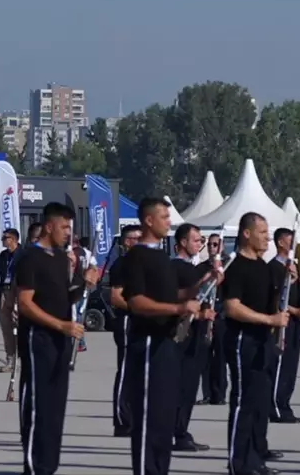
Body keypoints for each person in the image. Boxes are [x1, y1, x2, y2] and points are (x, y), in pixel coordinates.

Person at [121, 198, 203, 475]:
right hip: (146, 343)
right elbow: (137, 302)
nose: (169, 221)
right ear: (148, 220)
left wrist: (197, 288)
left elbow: (172, 295)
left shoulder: (162, 257)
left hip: (167, 343)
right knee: (148, 418)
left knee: (164, 417)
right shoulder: (137, 256)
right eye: (164, 217)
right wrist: (178, 307)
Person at [14, 201, 97, 475]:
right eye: (63, 227)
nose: (67, 233)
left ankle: (49, 465)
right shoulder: (30, 258)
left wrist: (84, 284)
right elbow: (25, 303)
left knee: (56, 407)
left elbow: (65, 296)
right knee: (38, 404)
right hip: (38, 339)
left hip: (61, 340)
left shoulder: (62, 258)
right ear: (49, 226)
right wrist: (59, 325)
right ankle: (33, 466)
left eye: (70, 227)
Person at [222, 212, 289, 475]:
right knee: (242, 402)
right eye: (262, 232)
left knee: (259, 403)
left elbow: (273, 302)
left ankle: (254, 459)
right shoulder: (236, 266)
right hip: (242, 340)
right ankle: (238, 463)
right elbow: (232, 307)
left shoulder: (264, 267)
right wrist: (268, 318)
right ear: (246, 233)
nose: (267, 238)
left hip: (263, 341)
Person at [169, 223, 214, 452]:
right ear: (183, 242)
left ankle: (180, 430)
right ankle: (177, 432)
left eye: (201, 240)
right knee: (182, 387)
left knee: (189, 386)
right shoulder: (177, 267)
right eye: (196, 240)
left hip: (195, 334)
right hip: (180, 334)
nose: (200, 244)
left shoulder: (194, 268)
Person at [270, 226, 300, 425]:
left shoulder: (292, 266)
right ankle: (275, 407)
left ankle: (285, 404)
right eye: (289, 240)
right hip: (281, 323)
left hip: (294, 323)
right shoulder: (275, 268)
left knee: (291, 366)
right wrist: (296, 311)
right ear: (280, 242)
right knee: (281, 367)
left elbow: (299, 294)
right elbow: (279, 299)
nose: (293, 244)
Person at [108, 223, 141, 436]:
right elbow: (115, 297)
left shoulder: (140, 264)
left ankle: (134, 415)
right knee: (126, 369)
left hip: (142, 322)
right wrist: (135, 308)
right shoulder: (121, 265)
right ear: (127, 242)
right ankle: (122, 420)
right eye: (136, 239)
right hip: (127, 320)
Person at [201, 232, 229, 406]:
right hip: (204, 315)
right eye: (210, 244)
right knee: (204, 357)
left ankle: (219, 394)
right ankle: (207, 393)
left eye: (216, 245)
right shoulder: (203, 267)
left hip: (221, 316)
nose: (212, 248)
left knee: (220, 357)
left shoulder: (229, 266)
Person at [0, 228, 20, 370]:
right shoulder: (2, 256)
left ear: (15, 240)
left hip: (18, 294)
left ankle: (24, 357)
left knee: (20, 326)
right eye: (3, 237)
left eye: (6, 237)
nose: (3, 240)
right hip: (5, 292)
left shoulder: (23, 255)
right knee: (6, 327)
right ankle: (9, 358)